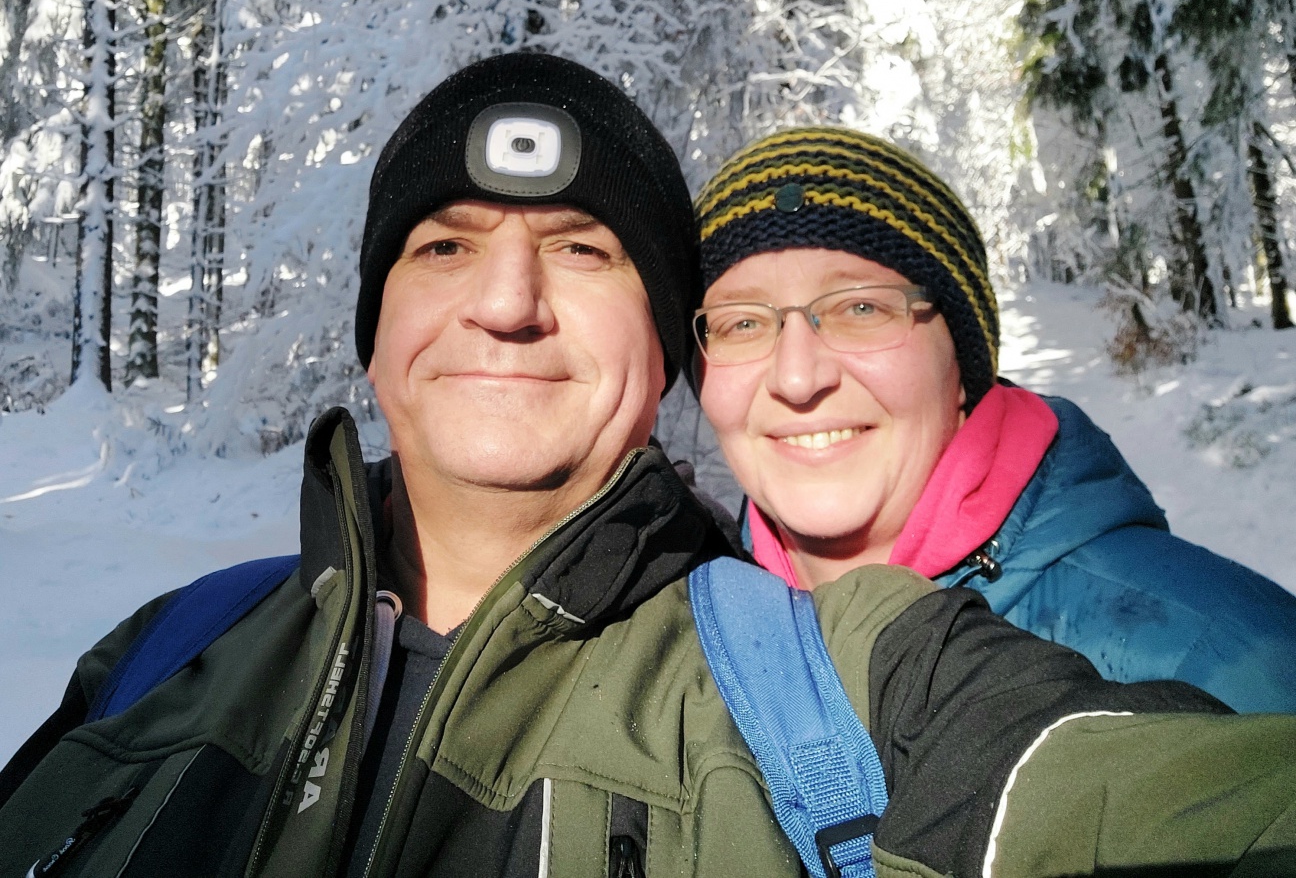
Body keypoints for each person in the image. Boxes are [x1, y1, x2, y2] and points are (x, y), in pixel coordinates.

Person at [1, 57, 1295, 878]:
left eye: (581, 248)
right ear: (375, 328)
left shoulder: (823, 675)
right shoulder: (162, 652)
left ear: (657, 352)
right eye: (443, 246)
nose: (506, 302)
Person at [692, 124, 1296, 712]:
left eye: (861, 307)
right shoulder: (672, 660)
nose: (798, 377)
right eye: (741, 323)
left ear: (961, 360)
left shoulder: (1235, 669)